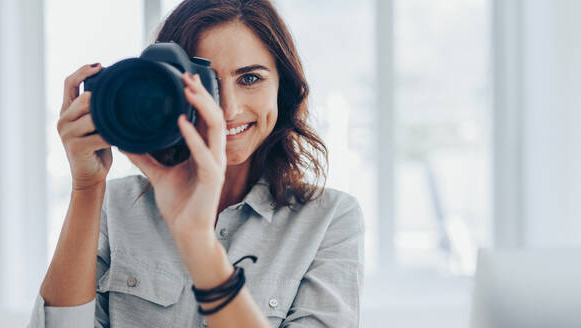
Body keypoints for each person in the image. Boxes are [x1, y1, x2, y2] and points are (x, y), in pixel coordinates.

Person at [28, 0, 364, 327]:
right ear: (166, 88)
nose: (229, 109)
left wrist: (198, 244)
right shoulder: (113, 207)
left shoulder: (330, 220)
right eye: (207, 83)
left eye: (249, 78)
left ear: (283, 89)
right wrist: (87, 188)